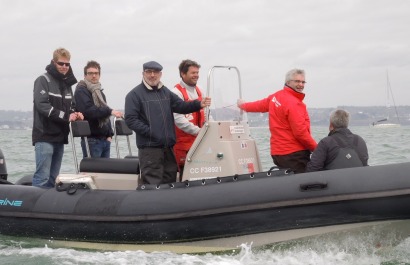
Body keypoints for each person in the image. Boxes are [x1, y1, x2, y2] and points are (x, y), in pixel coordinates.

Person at [125, 61, 211, 185]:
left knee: (169, 183)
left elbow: (181, 106)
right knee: (152, 185)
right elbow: (131, 120)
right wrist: (151, 132)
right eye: (149, 72)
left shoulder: (165, 92)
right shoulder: (134, 95)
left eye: (155, 72)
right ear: (143, 73)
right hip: (150, 150)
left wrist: (199, 104)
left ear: (160, 74)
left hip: (168, 148)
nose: (152, 75)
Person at [237, 68, 317, 173]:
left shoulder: (276, 97)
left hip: (278, 153)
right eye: (297, 81)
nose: (301, 84)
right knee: (303, 185)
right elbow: (300, 133)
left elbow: (259, 106)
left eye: (303, 82)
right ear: (288, 82)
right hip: (294, 154)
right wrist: (317, 149)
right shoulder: (294, 103)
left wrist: (243, 105)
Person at [32, 48, 84, 188]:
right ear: (53, 62)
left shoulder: (67, 85)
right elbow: (42, 105)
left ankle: (47, 207)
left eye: (67, 64)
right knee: (42, 177)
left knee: (53, 178)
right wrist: (66, 116)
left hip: (60, 137)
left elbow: (71, 106)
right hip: (44, 137)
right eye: (61, 63)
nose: (64, 67)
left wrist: (76, 114)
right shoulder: (43, 80)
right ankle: (35, 208)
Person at [74, 60, 123, 158]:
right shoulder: (81, 91)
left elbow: (104, 113)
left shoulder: (99, 92)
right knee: (94, 172)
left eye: (96, 73)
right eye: (90, 73)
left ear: (99, 75)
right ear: (85, 75)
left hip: (104, 140)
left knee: (105, 173)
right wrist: (110, 111)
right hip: (91, 139)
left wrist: (110, 135)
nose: (93, 76)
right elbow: (89, 111)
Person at [171, 59, 205, 176]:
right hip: (183, 145)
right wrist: (200, 132)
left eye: (197, 72)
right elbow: (179, 120)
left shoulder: (200, 91)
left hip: (199, 142)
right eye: (193, 73)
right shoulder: (176, 93)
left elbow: (206, 114)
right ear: (183, 74)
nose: (196, 75)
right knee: (184, 175)